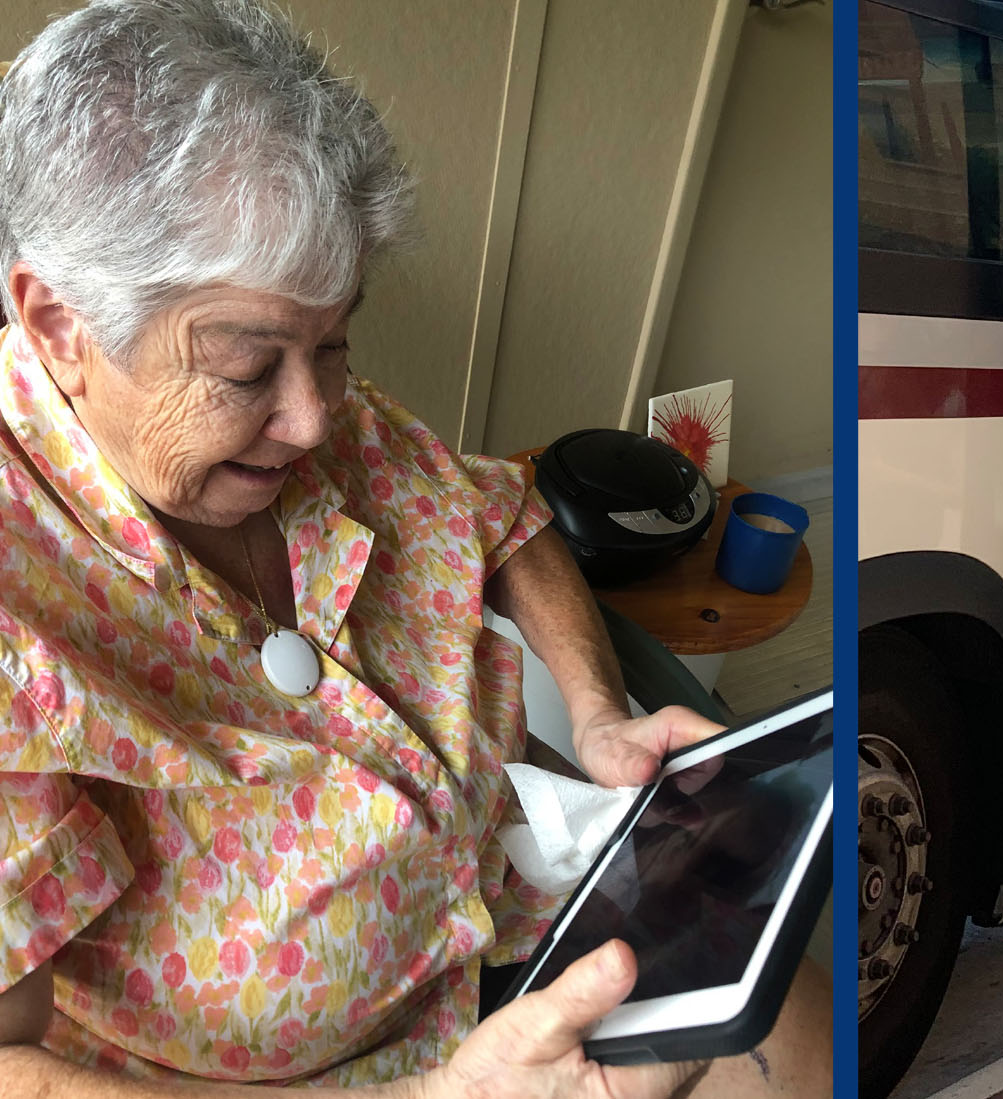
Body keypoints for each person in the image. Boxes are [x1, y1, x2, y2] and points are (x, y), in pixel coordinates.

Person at [0, 2, 828, 1095]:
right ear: (59, 328)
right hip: (307, 1081)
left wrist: (596, 711)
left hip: (504, 907)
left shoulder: (317, 413)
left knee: (791, 1012)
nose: (312, 417)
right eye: (249, 367)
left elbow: (504, 518)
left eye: (334, 344)